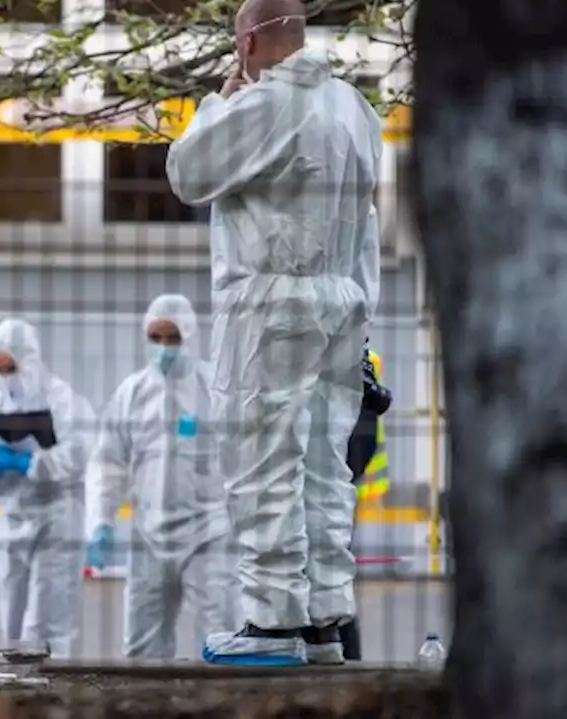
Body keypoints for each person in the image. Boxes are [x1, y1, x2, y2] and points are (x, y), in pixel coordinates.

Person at [166, 0, 382, 665]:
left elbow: (187, 172)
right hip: (342, 300)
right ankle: (322, 620)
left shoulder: (266, 104)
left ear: (250, 41)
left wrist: (219, 103)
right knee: (323, 464)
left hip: (271, 303)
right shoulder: (355, 109)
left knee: (263, 457)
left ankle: (270, 623)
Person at [85, 295, 238, 659]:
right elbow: (109, 463)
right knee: (142, 644)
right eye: (155, 338)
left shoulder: (214, 388)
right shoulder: (132, 393)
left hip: (208, 533)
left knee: (222, 636)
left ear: (189, 336)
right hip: (148, 535)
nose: (164, 347)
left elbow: (243, 458)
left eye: (172, 338)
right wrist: (100, 523)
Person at [0, 318, 95, 658]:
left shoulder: (63, 400)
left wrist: (32, 463)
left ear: (29, 360)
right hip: (10, 518)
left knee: (47, 619)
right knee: (11, 616)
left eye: (9, 367)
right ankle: (15, 693)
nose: (4, 375)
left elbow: (79, 454)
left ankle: (54, 693)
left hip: (56, 518)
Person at [338, 342, 392, 660]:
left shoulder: (359, 364)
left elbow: (363, 433)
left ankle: (345, 656)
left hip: (336, 492)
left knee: (333, 581)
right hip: (338, 488)